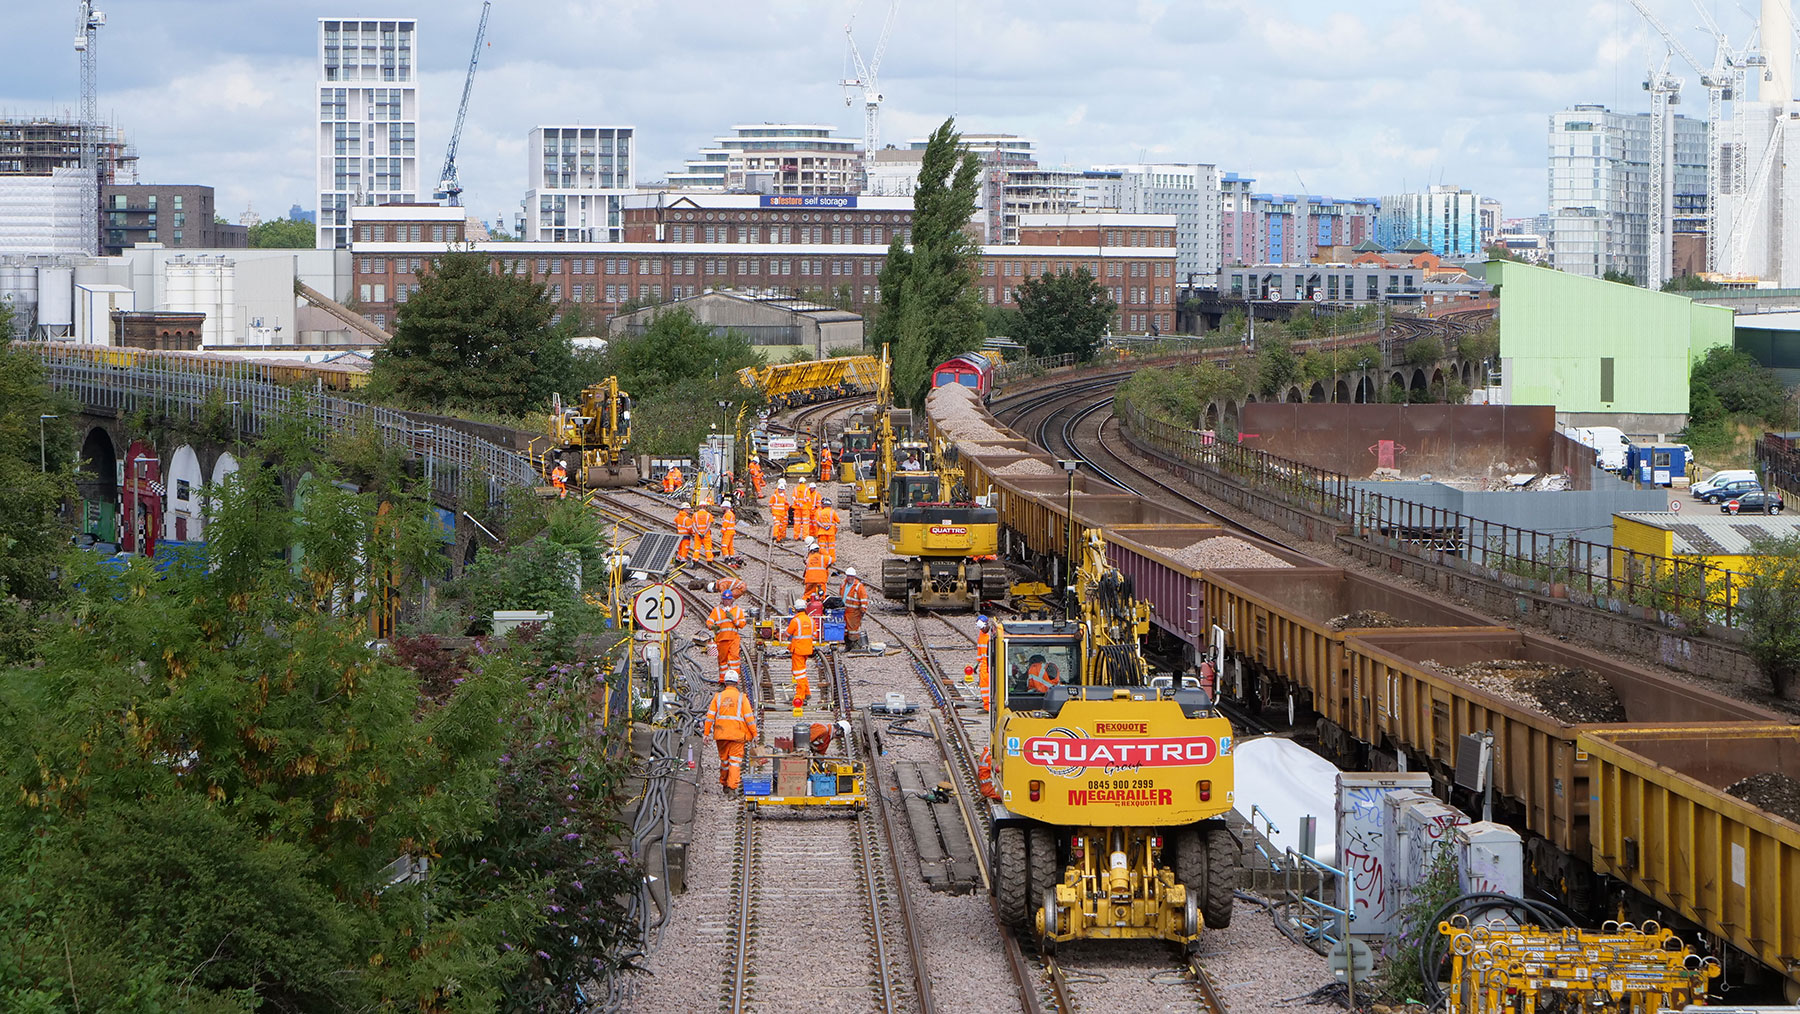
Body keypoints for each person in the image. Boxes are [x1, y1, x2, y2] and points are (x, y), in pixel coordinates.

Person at [704, 668, 758, 792]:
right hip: (737, 735)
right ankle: (732, 788)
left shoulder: (718, 697)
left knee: (724, 760)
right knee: (734, 761)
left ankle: (724, 782)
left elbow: (710, 716)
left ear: (725, 682)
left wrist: (706, 733)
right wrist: (754, 734)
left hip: (721, 734)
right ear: (737, 682)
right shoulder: (741, 698)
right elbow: (749, 718)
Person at [707, 589, 748, 677]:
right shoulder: (716, 611)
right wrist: (712, 626)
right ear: (722, 600)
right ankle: (723, 679)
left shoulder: (737, 610)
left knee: (734, 658)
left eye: (728, 600)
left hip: (733, 639)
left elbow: (742, 624)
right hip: (721, 639)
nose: (726, 602)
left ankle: (734, 678)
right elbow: (709, 622)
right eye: (725, 600)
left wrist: (733, 619)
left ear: (732, 600)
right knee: (723, 660)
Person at [785, 605, 817, 707]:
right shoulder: (811, 620)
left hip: (798, 650)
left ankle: (800, 695)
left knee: (798, 673)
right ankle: (807, 692)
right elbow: (815, 634)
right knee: (802, 671)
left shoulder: (795, 621)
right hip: (807, 649)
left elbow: (787, 633)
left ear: (796, 609)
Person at [839, 567, 869, 641]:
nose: (849, 578)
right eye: (848, 576)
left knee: (853, 630)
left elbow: (864, 599)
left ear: (854, 577)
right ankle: (848, 645)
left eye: (851, 576)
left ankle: (855, 644)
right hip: (844, 611)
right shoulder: (843, 584)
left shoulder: (859, 586)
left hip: (854, 612)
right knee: (845, 629)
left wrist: (863, 610)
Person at [813, 500, 840, 567]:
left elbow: (817, 521)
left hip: (822, 532)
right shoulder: (832, 512)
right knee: (831, 547)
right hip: (831, 532)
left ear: (824, 505)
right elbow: (838, 521)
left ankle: (823, 559)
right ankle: (832, 560)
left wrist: (823, 526)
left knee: (822, 547)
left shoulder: (820, 512)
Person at [976, 615, 992, 711]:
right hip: (985, 664)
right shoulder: (983, 636)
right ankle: (987, 705)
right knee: (985, 686)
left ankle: (988, 706)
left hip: (988, 665)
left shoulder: (986, 636)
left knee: (986, 686)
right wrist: (977, 663)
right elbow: (980, 651)